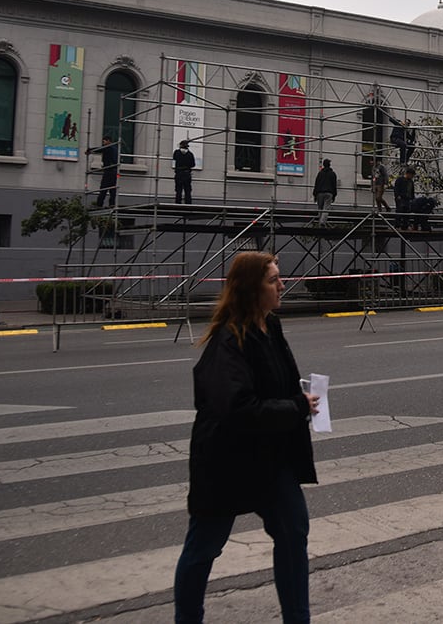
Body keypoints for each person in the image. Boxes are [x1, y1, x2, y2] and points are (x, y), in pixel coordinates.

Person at [173, 252, 320, 624]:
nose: (282, 285)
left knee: (293, 531)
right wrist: (295, 408)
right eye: (273, 280)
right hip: (226, 462)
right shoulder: (229, 340)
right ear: (252, 290)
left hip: (270, 457)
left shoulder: (271, 327)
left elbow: (282, 384)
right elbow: (238, 409)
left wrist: (301, 401)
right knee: (204, 547)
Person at [86, 135, 119, 207]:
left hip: (109, 171)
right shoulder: (115, 149)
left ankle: (99, 204)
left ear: (108, 141)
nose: (103, 143)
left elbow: (100, 149)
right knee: (112, 189)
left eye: (104, 141)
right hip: (115, 172)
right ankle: (112, 204)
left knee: (103, 188)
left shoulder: (108, 148)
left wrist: (90, 150)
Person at [313, 159, 337, 226]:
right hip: (329, 193)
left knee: (320, 208)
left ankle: (320, 222)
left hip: (320, 193)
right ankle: (322, 222)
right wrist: (334, 195)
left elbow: (316, 184)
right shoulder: (332, 174)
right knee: (326, 208)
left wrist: (315, 195)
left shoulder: (320, 173)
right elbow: (334, 185)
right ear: (329, 165)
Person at [173, 140, 195, 204]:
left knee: (178, 189)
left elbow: (174, 158)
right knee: (187, 190)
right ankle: (188, 204)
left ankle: (178, 203)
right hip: (187, 173)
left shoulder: (177, 152)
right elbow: (193, 164)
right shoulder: (190, 154)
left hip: (179, 173)